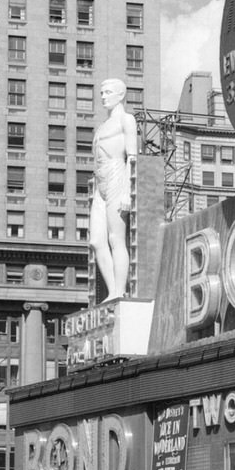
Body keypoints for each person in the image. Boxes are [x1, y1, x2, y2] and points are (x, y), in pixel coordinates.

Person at [91, 77, 138, 302]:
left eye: (108, 92)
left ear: (121, 94)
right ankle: (112, 291)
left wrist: (129, 191)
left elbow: (132, 157)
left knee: (115, 238)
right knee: (96, 241)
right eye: (102, 92)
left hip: (117, 174)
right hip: (99, 182)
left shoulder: (126, 120)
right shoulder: (102, 127)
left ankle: (119, 292)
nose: (103, 96)